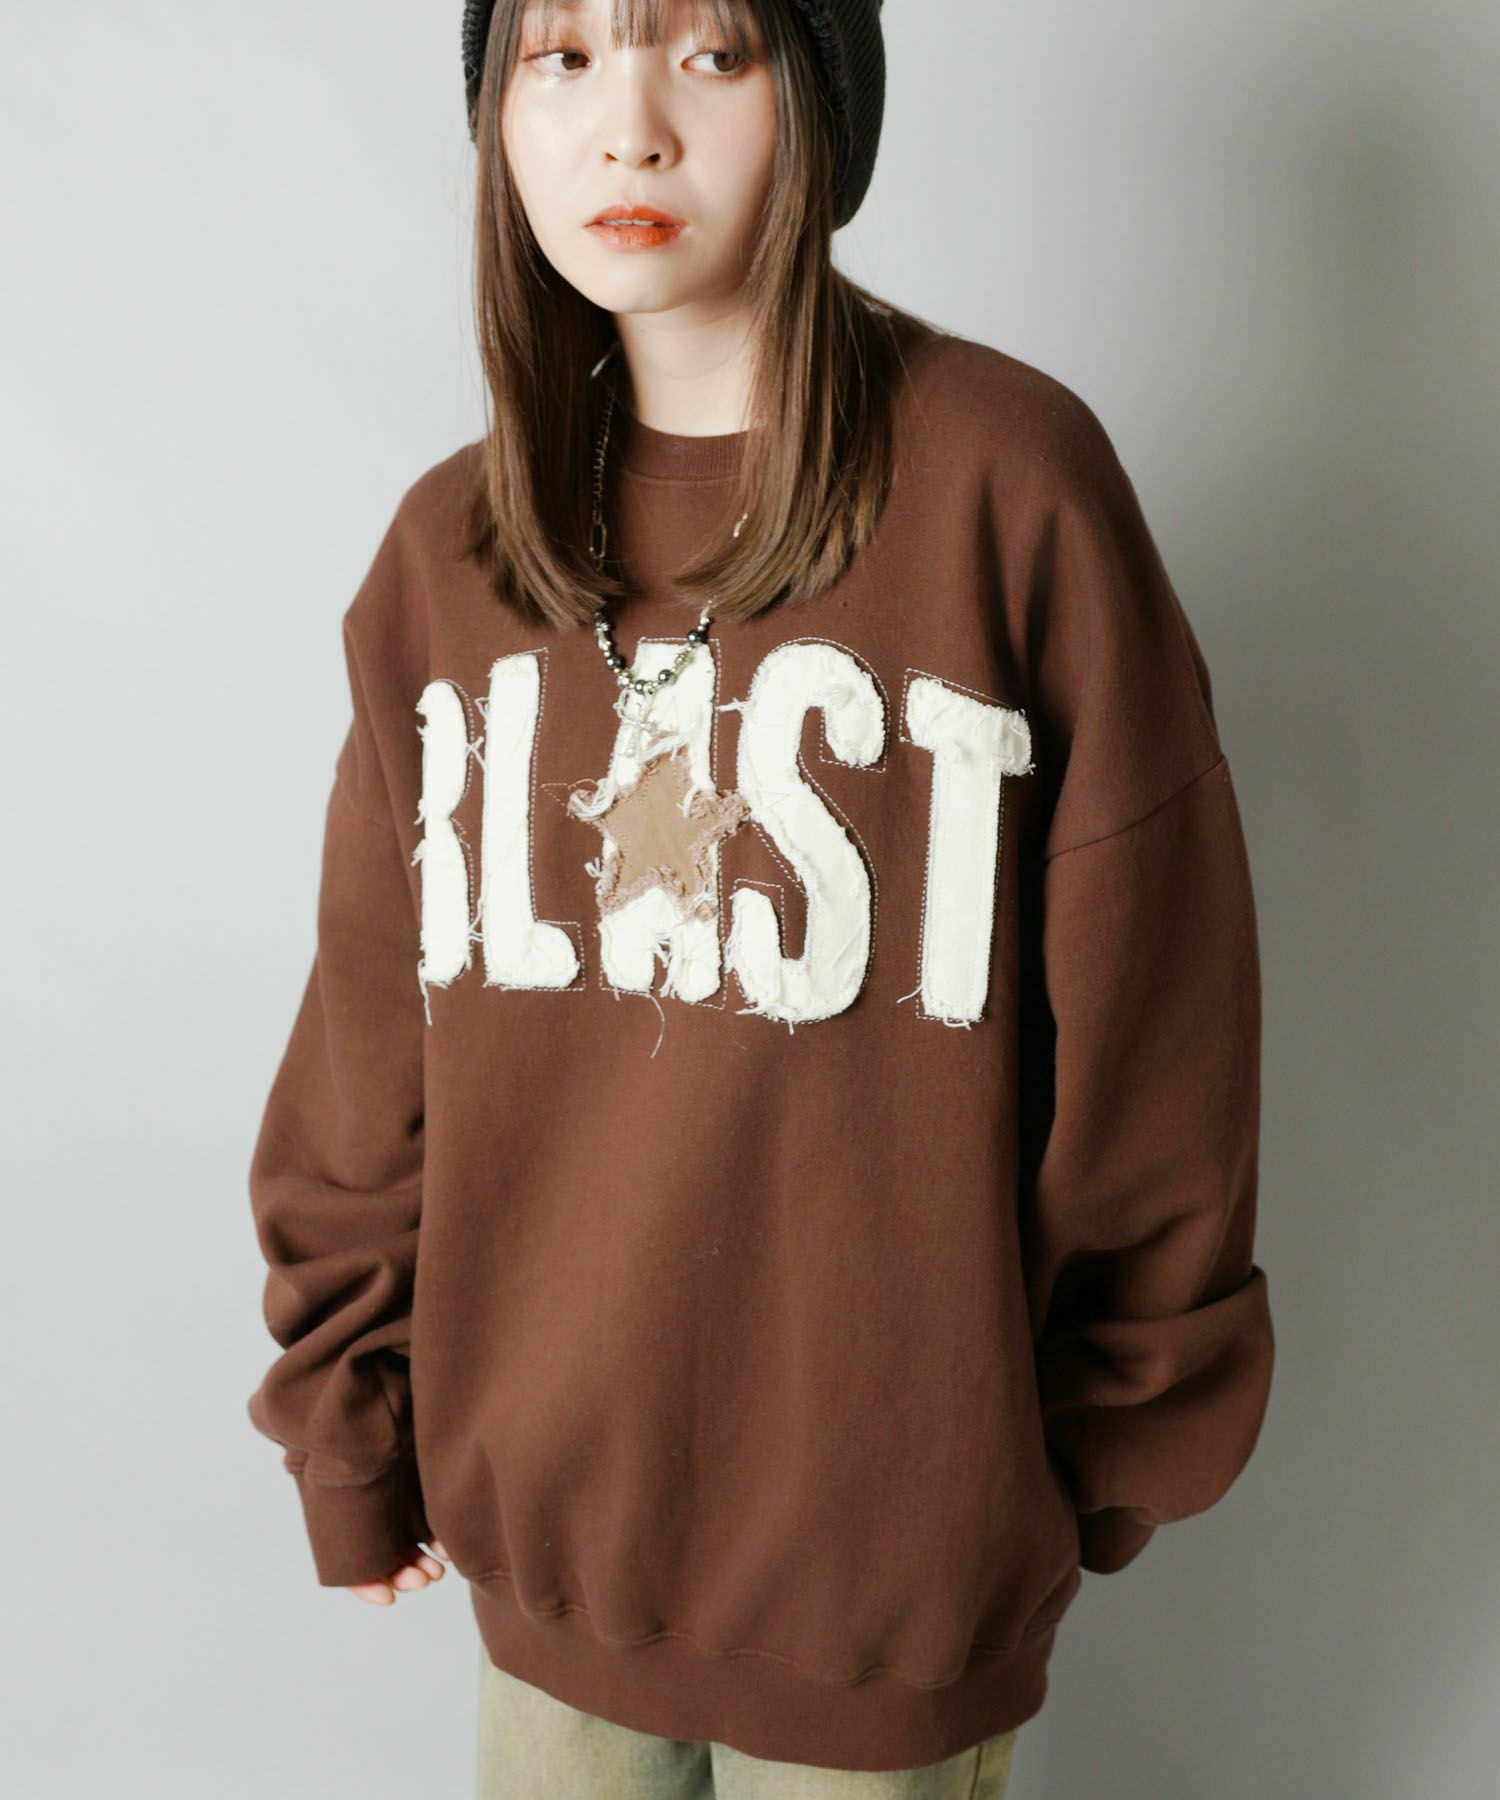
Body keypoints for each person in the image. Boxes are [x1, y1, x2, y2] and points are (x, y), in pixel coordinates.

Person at [243, 1, 1276, 1794]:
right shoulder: (446, 557)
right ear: (496, 109)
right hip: (548, 1557)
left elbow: (1156, 1020)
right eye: (562, 56)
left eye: (709, 52)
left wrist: (1101, 1443)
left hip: (888, 1586)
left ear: (820, 95)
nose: (628, 127)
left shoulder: (1008, 484)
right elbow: (367, 1038)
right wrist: (355, 1428)